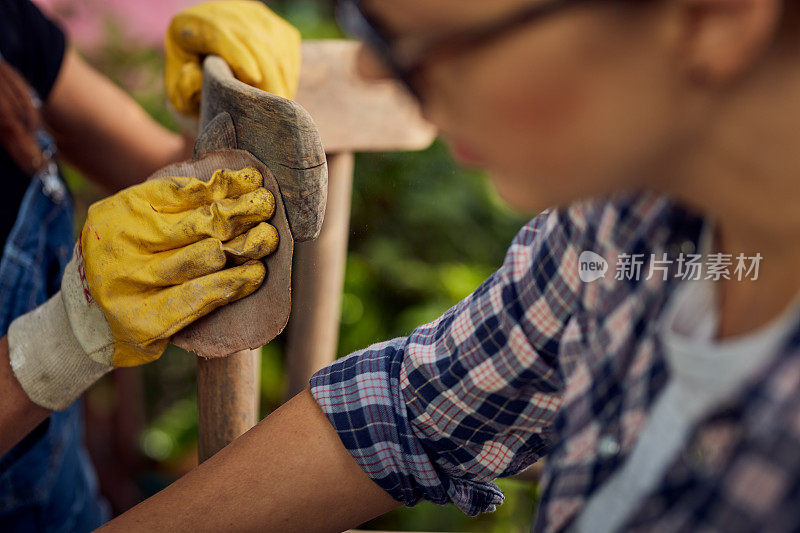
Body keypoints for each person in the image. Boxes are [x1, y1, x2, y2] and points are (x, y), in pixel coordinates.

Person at [10, 0, 800, 531]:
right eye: (374, 33)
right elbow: (406, 409)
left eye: (424, 47)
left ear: (712, 15)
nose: (384, 85)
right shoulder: (626, 229)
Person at [0, 0, 294, 530]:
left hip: (64, 503)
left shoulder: (8, 26)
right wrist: (61, 342)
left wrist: (209, 114)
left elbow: (157, 166)